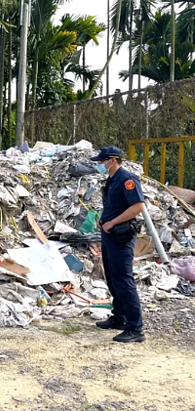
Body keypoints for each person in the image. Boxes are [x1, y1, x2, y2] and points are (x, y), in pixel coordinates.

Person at [91, 146, 146, 343]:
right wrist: (104, 220)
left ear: (113, 160)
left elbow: (138, 206)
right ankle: (119, 318)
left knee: (123, 279)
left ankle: (135, 328)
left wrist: (113, 222)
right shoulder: (112, 180)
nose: (100, 164)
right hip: (109, 235)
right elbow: (114, 207)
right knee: (113, 278)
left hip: (121, 236)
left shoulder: (127, 179)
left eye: (102, 161)